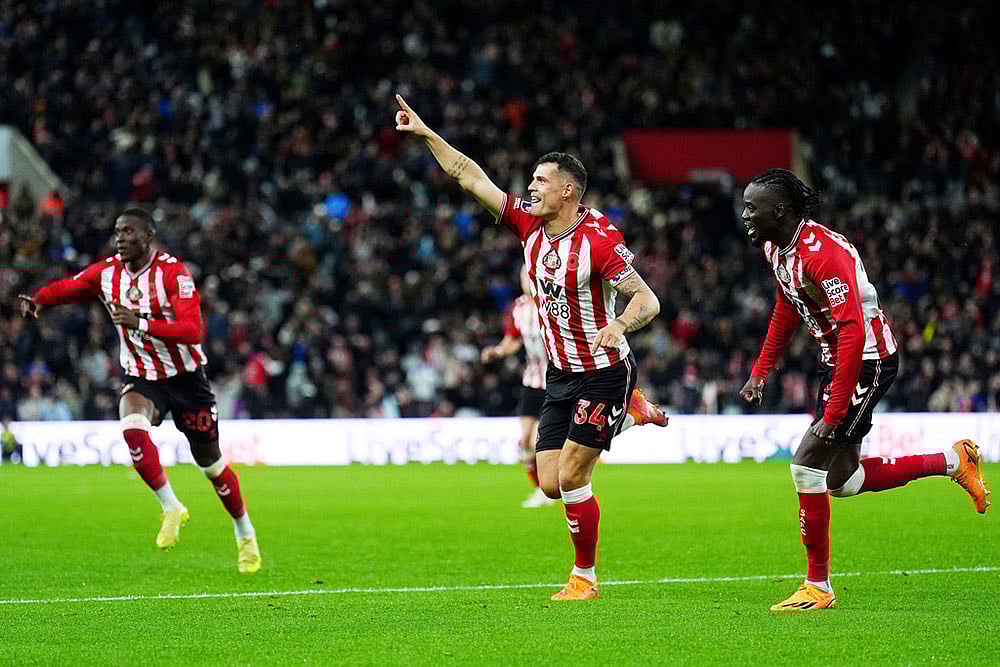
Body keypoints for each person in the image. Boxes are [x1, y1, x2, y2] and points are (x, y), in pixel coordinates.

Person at [396, 94, 667, 600]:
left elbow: (647, 300)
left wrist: (621, 326)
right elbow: (469, 176)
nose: (529, 188)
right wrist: (428, 133)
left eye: (540, 181)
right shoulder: (527, 223)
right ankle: (634, 415)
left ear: (568, 191)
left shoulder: (599, 242)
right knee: (547, 483)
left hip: (604, 370)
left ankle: (584, 578)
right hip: (559, 376)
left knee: (572, 475)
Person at [738, 169, 990, 612]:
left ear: (779, 211)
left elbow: (853, 330)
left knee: (805, 465)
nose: (745, 215)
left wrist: (834, 411)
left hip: (866, 360)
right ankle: (954, 461)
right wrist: (762, 370)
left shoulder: (824, 254)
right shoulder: (775, 249)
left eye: (751, 208)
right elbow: (786, 309)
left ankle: (818, 586)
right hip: (835, 361)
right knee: (842, 480)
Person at [18, 208, 262, 573]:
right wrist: (39, 300)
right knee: (132, 428)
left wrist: (141, 324)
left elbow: (192, 331)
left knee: (212, 467)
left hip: (186, 379)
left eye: (128, 231)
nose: (120, 238)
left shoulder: (173, 274)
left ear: (148, 236)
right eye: (117, 231)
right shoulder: (107, 273)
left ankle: (244, 531)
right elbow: (71, 287)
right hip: (142, 376)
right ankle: (171, 507)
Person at [481, 265, 556, 509]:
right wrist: (498, 351)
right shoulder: (519, 307)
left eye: (530, 274)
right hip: (532, 380)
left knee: (537, 440)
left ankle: (552, 487)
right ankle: (539, 490)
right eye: (524, 275)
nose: (527, 279)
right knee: (524, 440)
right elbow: (513, 341)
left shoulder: (553, 304)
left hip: (557, 380)